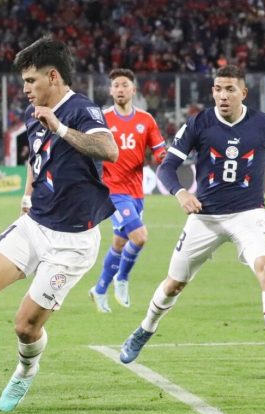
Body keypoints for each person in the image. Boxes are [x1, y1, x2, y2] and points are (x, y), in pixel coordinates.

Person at [119, 65, 265, 378]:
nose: (223, 95)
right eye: (218, 89)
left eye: (230, 89)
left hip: (249, 215)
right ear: (212, 91)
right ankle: (143, 330)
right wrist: (180, 193)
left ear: (243, 93)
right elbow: (167, 167)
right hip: (204, 218)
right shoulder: (198, 123)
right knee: (174, 283)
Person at [0, 37, 118, 411]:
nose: (24, 89)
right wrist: (26, 195)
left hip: (72, 241)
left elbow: (109, 151)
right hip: (35, 223)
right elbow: (34, 158)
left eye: (30, 81)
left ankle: (25, 371)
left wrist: (59, 127)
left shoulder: (81, 110)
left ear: (53, 76)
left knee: (25, 326)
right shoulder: (34, 112)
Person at [88, 69, 167, 313]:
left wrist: (163, 158)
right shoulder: (101, 119)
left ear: (133, 90)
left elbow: (158, 149)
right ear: (111, 91)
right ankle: (121, 278)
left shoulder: (146, 120)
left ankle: (99, 290)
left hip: (136, 191)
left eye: (125, 85)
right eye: (116, 85)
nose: (120, 89)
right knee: (140, 237)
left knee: (120, 243)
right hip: (112, 190)